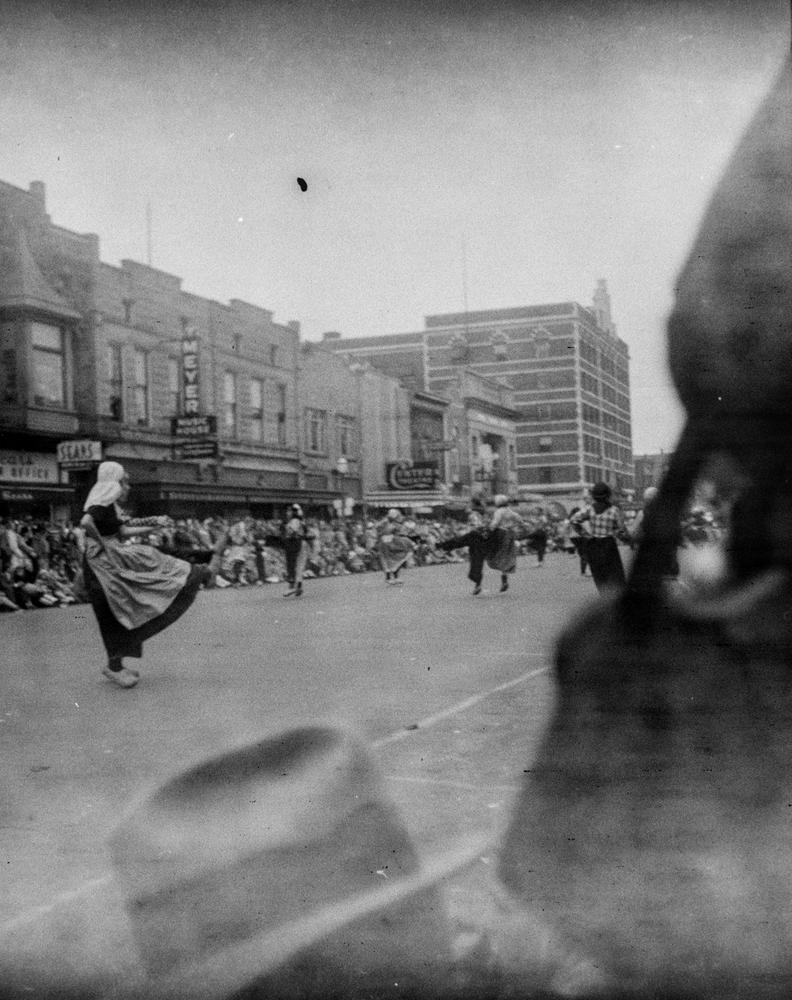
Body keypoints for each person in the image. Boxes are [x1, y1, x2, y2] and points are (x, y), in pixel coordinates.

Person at [80, 462, 227, 688]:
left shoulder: (108, 504)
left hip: (110, 560)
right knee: (116, 612)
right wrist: (101, 542)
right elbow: (86, 522)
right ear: (114, 483)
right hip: (100, 566)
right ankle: (114, 667)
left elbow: (124, 531)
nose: (127, 487)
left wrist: (154, 526)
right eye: (124, 482)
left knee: (126, 604)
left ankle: (115, 665)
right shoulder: (102, 502)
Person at [570, 481, 626, 592]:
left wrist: (585, 534)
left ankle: (604, 597)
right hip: (609, 545)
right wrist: (627, 539)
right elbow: (621, 531)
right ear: (608, 495)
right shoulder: (614, 510)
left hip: (594, 545)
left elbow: (573, 520)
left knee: (599, 575)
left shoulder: (589, 509)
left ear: (593, 496)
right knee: (616, 575)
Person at [435, 499, 491, 595]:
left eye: (469, 505)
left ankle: (441, 547)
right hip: (481, 539)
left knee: (458, 542)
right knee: (477, 561)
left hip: (475, 536)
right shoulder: (480, 514)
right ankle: (478, 585)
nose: (467, 507)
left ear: (473, 506)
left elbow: (476, 527)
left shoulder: (474, 515)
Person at [486, 495, 528, 593]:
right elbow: (519, 519)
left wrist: (489, 529)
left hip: (501, 533)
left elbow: (495, 522)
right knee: (507, 555)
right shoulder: (510, 511)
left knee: (496, 553)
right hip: (510, 534)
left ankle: (503, 578)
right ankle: (504, 578)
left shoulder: (498, 511)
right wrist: (522, 524)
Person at [376, 508, 415, 585]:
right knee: (387, 560)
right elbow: (379, 529)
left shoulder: (395, 523)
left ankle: (396, 577)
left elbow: (400, 531)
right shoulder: (384, 522)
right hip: (385, 543)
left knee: (397, 558)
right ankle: (388, 578)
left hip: (393, 542)